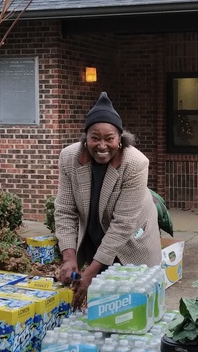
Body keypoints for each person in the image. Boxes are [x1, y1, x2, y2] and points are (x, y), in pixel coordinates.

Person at [55, 91, 161, 306]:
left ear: (120, 140)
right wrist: (69, 257)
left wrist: (90, 272)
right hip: (95, 237)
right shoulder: (69, 158)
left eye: (109, 139)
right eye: (95, 138)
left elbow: (123, 224)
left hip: (133, 242)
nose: (102, 146)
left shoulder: (135, 163)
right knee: (100, 307)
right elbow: (65, 210)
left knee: (132, 304)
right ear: (86, 139)